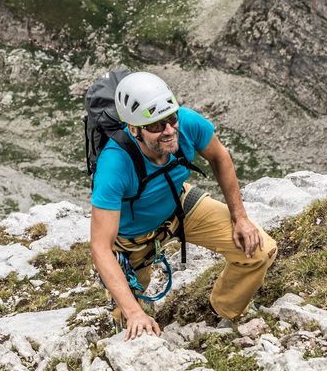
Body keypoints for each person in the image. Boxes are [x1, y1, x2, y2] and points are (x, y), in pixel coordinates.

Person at [89, 71, 277, 340]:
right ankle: (129, 315)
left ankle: (221, 313)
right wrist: (134, 313)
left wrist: (240, 218)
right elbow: (100, 247)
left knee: (259, 250)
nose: (168, 130)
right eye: (156, 126)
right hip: (131, 238)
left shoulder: (186, 123)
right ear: (134, 129)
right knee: (130, 322)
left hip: (178, 205)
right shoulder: (114, 165)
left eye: (171, 119)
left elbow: (220, 157)